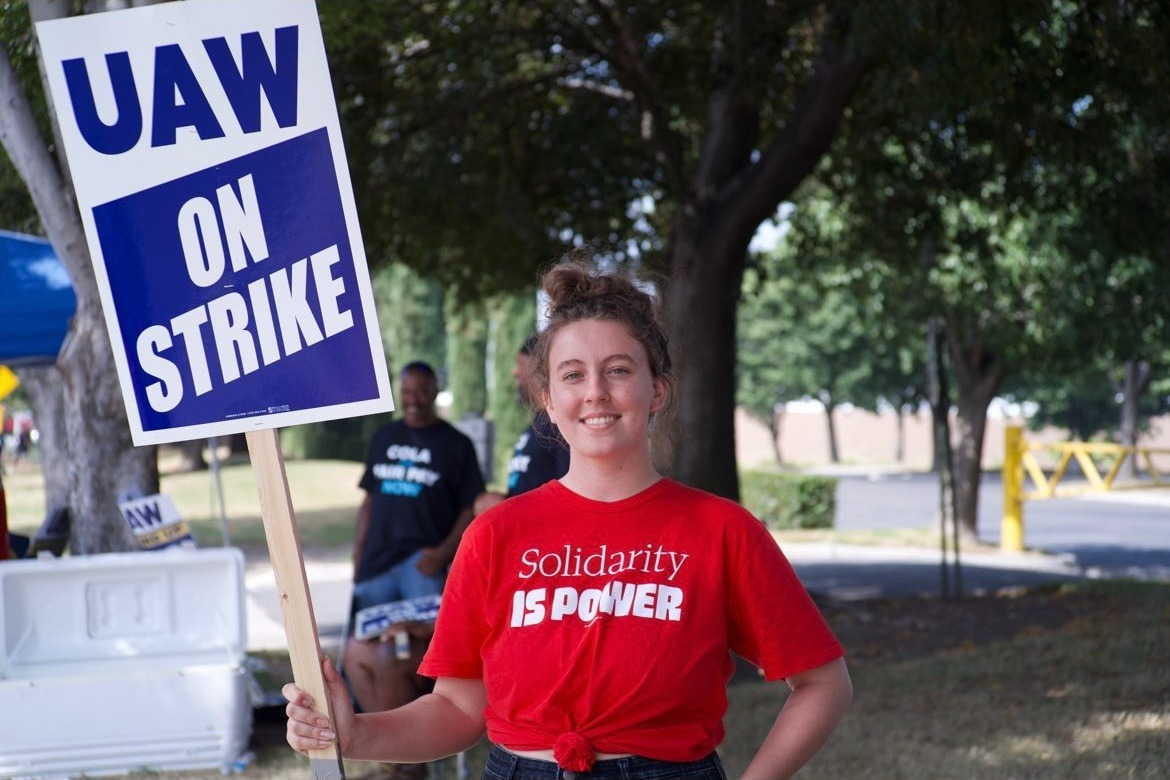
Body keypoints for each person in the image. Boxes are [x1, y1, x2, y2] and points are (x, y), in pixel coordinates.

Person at [286, 261, 852, 780]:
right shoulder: (494, 535)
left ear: (657, 390)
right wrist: (355, 732)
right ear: (549, 400)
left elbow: (823, 685)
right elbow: (458, 709)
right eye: (573, 375)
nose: (596, 393)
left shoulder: (722, 530)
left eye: (618, 370)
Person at [342, 360, 486, 780]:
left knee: (405, 654)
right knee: (358, 653)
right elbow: (369, 500)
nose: (413, 400)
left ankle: (409, 763)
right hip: (377, 566)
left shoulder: (455, 445)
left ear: (434, 391)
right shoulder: (384, 436)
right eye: (406, 392)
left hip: (422, 567)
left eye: (421, 392)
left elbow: (470, 509)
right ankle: (395, 755)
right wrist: (358, 553)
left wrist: (442, 555)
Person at [472, 335, 569, 517]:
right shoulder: (537, 423)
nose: (515, 373)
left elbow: (568, 497)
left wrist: (507, 505)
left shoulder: (559, 426)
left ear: (540, 368)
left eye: (520, 365)